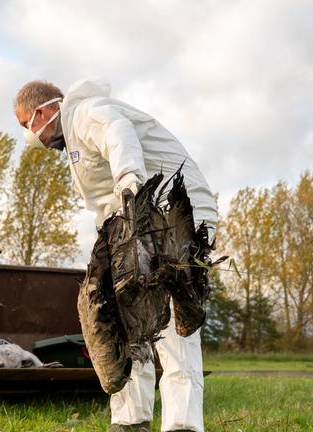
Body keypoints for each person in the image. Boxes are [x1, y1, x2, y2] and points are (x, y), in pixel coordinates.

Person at [13, 79, 218, 432]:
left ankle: (181, 425)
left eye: (24, 125)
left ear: (42, 112)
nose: (30, 136)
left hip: (172, 210)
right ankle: (129, 421)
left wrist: (129, 180)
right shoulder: (75, 142)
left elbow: (117, 131)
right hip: (136, 216)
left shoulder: (84, 113)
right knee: (124, 317)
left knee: (168, 316)